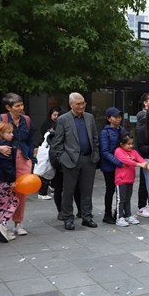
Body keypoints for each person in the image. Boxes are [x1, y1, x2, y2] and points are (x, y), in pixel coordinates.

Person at [53, 92, 100, 230]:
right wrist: (63, 159)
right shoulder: (63, 119)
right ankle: (67, 217)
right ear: (71, 105)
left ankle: (87, 217)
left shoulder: (89, 117)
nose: (81, 106)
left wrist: (95, 155)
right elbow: (57, 143)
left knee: (87, 190)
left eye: (83, 103)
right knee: (68, 191)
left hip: (89, 159)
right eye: (78, 104)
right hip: (71, 160)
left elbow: (95, 138)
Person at [0, 93, 36, 236]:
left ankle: (18, 223)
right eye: (17, 106)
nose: (21, 108)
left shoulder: (26, 120)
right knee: (5, 192)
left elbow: (31, 139)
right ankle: (2, 224)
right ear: (8, 107)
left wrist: (31, 157)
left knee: (21, 192)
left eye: (22, 105)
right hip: (5, 160)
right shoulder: (2, 119)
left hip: (23, 158)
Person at [114, 133, 149, 227]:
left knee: (128, 199)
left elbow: (141, 159)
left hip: (130, 179)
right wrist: (139, 165)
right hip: (121, 180)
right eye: (128, 144)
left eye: (132, 143)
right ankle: (119, 217)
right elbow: (126, 161)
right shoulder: (118, 151)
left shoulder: (133, 152)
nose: (131, 146)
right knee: (121, 199)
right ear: (122, 144)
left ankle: (128, 215)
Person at [99, 107, 126, 224]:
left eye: (119, 117)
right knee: (110, 190)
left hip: (120, 166)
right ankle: (107, 214)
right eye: (115, 117)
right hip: (109, 166)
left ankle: (119, 211)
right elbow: (104, 151)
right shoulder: (105, 132)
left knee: (121, 190)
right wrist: (118, 162)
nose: (118, 119)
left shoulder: (122, 130)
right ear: (108, 118)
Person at [0, 122, 19, 242]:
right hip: (2, 180)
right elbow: (7, 166)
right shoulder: (6, 147)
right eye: (9, 132)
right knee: (12, 202)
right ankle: (2, 225)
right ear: (1, 133)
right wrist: (12, 180)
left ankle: (2, 229)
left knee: (1, 205)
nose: (12, 135)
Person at [37, 106, 62, 200]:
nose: (56, 117)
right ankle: (42, 192)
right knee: (46, 171)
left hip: (51, 151)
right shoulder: (47, 126)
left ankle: (51, 188)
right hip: (48, 152)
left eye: (57, 115)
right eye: (54, 115)